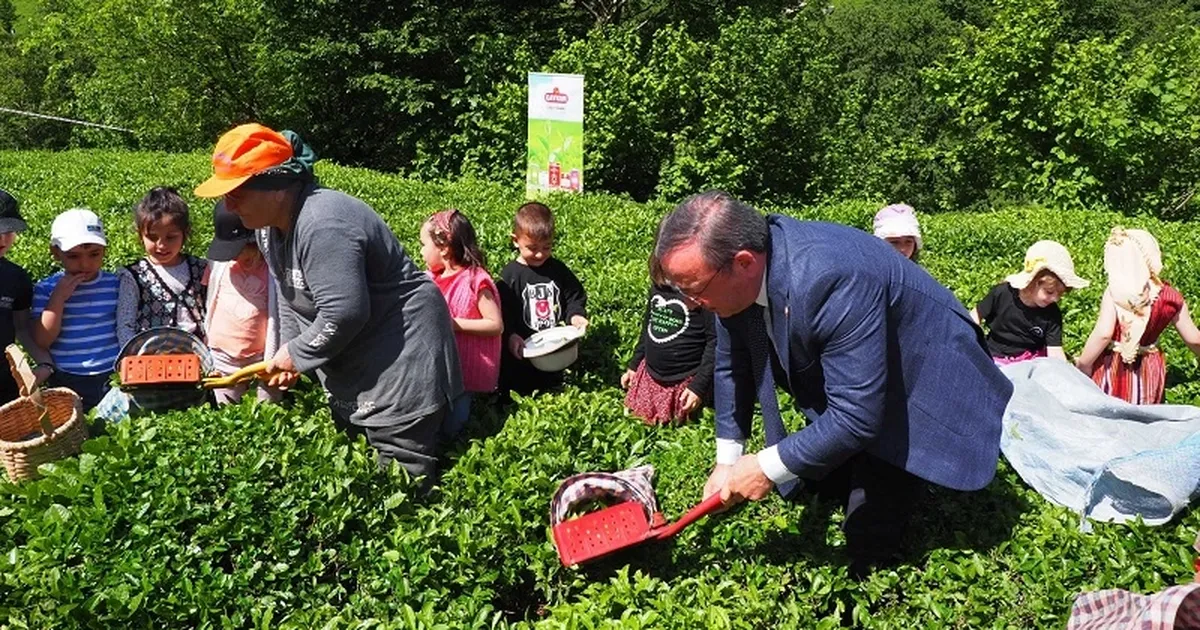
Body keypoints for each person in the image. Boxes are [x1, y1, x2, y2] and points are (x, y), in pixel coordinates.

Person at [651, 190, 1013, 577]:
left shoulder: (830, 277)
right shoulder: (745, 271)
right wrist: (727, 463)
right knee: (820, 481)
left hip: (922, 378)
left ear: (743, 263)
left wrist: (763, 467)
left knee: (868, 542)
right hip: (865, 377)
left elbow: (858, 416)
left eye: (694, 289)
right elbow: (730, 363)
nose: (689, 303)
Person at [194, 123, 461, 487]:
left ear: (275, 187)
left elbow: (345, 312)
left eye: (237, 192)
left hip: (400, 359)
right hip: (358, 360)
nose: (229, 204)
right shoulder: (267, 228)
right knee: (358, 468)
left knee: (402, 481)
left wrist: (297, 354)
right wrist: (291, 354)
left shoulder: (323, 223)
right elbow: (290, 297)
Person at [1075, 228, 1200, 404]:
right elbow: (1194, 339)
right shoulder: (1170, 295)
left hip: (1114, 366)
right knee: (1145, 418)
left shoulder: (1114, 293)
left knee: (1110, 415)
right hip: (1150, 366)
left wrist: (1084, 364)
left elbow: (1103, 334)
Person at [418, 208, 502, 441]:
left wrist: (454, 325)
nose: (421, 252)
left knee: (454, 428)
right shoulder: (431, 278)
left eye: (424, 245)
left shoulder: (476, 279)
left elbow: (495, 324)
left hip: (465, 369)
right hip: (439, 367)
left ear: (444, 248)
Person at [30, 209, 120, 411]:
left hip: (112, 372)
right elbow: (43, 340)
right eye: (73, 256)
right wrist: (58, 298)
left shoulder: (114, 284)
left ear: (104, 250)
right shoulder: (46, 289)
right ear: (55, 252)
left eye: (94, 254)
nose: (85, 263)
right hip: (68, 376)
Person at [497, 202, 588, 396]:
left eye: (547, 247)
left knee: (555, 386)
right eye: (532, 248)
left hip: (553, 346)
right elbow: (503, 312)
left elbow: (574, 295)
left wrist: (576, 315)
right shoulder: (510, 275)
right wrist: (511, 334)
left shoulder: (558, 270)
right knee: (521, 388)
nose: (540, 254)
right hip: (523, 350)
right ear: (515, 240)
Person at [204, 200, 281, 405]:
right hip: (223, 357)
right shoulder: (220, 267)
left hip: (260, 358)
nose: (234, 257)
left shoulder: (273, 270)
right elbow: (207, 297)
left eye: (239, 250)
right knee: (225, 410)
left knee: (267, 410)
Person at [620, 266, 716, 425]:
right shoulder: (660, 286)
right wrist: (634, 365)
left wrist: (698, 387)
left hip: (686, 379)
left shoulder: (700, 291)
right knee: (637, 418)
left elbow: (715, 341)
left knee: (678, 421)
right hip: (652, 373)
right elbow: (647, 328)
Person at [970, 240, 1088, 365]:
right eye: (1049, 292)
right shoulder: (1002, 293)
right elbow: (975, 316)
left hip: (1031, 360)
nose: (1055, 299)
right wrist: (971, 342)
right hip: (994, 354)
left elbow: (1055, 351)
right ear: (1032, 283)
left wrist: (1063, 371)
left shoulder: (1052, 313)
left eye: (1060, 294)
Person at [116, 187, 208, 348]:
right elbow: (126, 323)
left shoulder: (199, 268)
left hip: (196, 353)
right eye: (152, 237)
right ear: (140, 235)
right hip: (151, 356)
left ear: (185, 233)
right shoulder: (135, 275)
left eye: (171, 237)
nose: (161, 245)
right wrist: (132, 356)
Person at [0, 189, 56, 404]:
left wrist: (45, 364)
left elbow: (21, 328)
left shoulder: (17, 278)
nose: (3, 238)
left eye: (9, 230)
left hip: (6, 385)